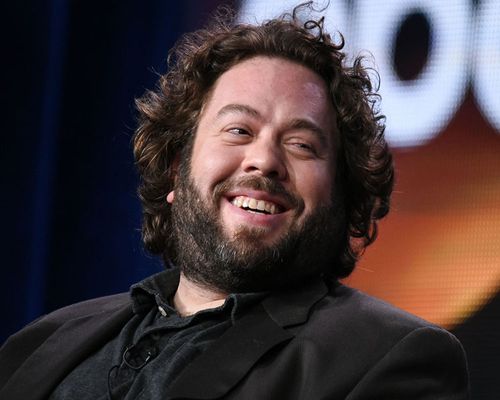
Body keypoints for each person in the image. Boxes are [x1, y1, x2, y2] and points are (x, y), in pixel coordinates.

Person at [0, 4, 469, 400]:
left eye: (302, 144)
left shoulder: (391, 357)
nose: (264, 160)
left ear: (345, 195)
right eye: (239, 130)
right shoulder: (42, 341)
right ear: (175, 169)